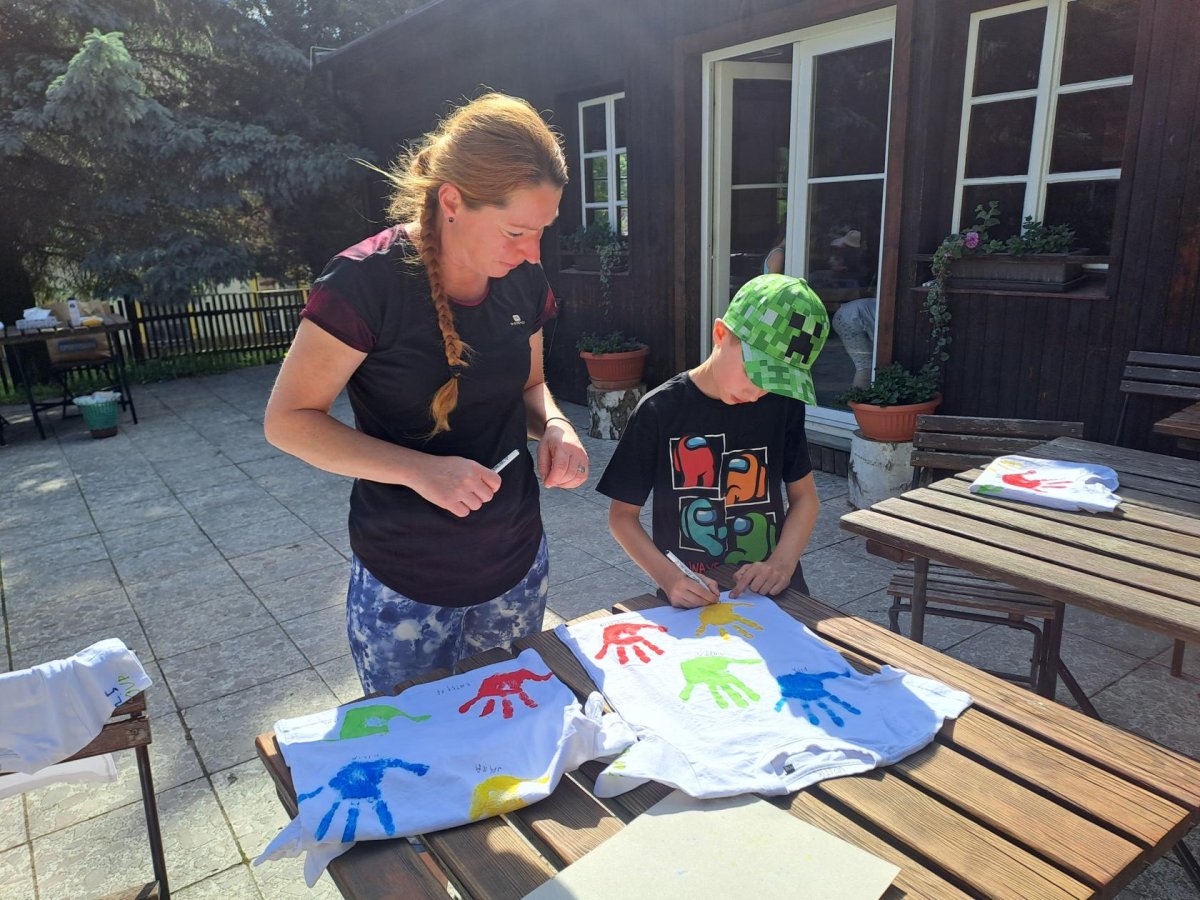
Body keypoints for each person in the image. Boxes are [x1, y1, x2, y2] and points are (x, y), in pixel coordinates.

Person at [263, 93, 589, 693]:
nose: (532, 252)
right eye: (516, 231)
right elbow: (288, 420)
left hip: (515, 560)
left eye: (541, 231)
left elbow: (531, 385)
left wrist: (556, 425)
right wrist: (421, 472)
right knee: (414, 738)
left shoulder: (524, 279)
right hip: (404, 578)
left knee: (508, 727)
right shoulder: (363, 282)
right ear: (452, 201)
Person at [597, 274, 828, 608]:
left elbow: (805, 498)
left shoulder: (783, 405)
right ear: (720, 334)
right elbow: (621, 516)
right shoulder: (659, 411)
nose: (757, 392)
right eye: (754, 373)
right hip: (691, 595)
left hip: (772, 589)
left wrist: (783, 562)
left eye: (776, 381)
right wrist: (669, 578)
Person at [831, 296, 878, 389]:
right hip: (849, 319)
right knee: (865, 367)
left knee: (866, 366)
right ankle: (859, 397)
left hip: (845, 315)